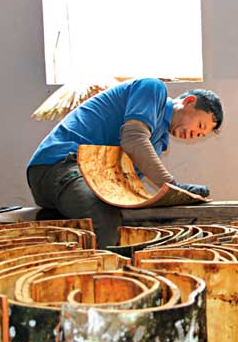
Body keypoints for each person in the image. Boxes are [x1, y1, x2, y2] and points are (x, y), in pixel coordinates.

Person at [27, 78, 223, 247]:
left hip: (90, 178)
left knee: (136, 221)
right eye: (199, 125)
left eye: (200, 135)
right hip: (57, 165)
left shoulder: (159, 141)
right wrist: (173, 186)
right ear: (189, 101)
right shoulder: (153, 89)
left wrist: (178, 197)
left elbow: (124, 184)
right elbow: (133, 139)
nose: (194, 135)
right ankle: (109, 284)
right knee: (103, 218)